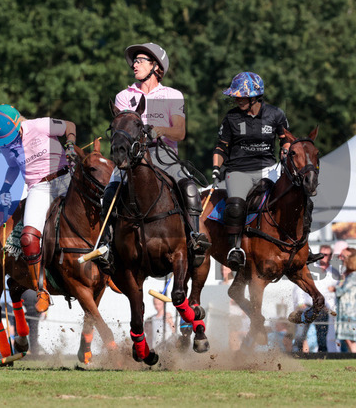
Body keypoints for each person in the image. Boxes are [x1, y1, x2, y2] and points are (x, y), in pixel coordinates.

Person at [96, 42, 209, 274]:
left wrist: (160, 130)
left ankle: (195, 237)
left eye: (140, 60)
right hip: (131, 157)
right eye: (134, 61)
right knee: (109, 193)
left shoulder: (172, 95)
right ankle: (106, 244)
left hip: (163, 153)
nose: (134, 65)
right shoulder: (124, 96)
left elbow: (180, 132)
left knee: (189, 188)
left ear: (155, 66)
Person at [211, 71, 323, 270]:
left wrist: (285, 151)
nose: (237, 99)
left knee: (300, 200)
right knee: (235, 206)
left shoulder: (275, 114)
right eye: (236, 96)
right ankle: (235, 248)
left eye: (241, 96)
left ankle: (304, 246)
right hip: (239, 171)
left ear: (255, 96)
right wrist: (215, 169)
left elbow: (285, 140)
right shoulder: (231, 118)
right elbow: (221, 147)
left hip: (268, 169)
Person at [0, 104, 76, 312]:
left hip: (65, 178)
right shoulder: (6, 145)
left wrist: (70, 145)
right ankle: (41, 290)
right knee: (28, 237)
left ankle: (110, 269)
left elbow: (69, 126)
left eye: (9, 137)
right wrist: (5, 186)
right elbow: (12, 166)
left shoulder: (39, 125)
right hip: (38, 188)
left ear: (18, 124)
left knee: (102, 208)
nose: (8, 143)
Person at [293, 244, 340, 352]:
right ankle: (297, 354)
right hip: (307, 306)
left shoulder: (334, 273)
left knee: (322, 337)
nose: (323, 257)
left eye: (326, 255)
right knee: (300, 334)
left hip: (323, 309)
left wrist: (330, 308)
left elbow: (333, 294)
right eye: (321, 254)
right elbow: (299, 286)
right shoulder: (310, 269)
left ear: (331, 256)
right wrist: (300, 303)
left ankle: (322, 356)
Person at [336, 247, 356, 353]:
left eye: (344, 256)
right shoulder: (346, 274)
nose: (341, 258)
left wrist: (335, 288)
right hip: (345, 310)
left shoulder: (352, 275)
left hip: (350, 311)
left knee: (349, 337)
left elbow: (340, 291)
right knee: (346, 339)